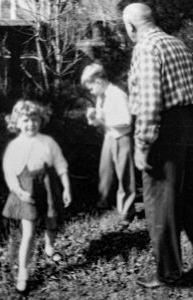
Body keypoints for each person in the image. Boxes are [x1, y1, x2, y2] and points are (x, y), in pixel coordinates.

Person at [119, 0, 193, 287]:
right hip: (192, 122)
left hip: (165, 128)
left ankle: (169, 273)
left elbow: (150, 101)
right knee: (185, 194)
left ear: (131, 27)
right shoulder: (176, 43)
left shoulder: (146, 47)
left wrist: (142, 144)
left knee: (158, 201)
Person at [2, 100, 72, 293]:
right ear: (16, 122)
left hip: (48, 187)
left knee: (52, 222)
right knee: (29, 234)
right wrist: (18, 191)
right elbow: (9, 172)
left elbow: (60, 164)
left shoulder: (47, 142)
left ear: (41, 121)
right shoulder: (15, 146)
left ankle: (50, 247)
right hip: (27, 190)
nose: (30, 124)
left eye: (34, 119)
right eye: (25, 120)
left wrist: (66, 188)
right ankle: (23, 273)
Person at [81, 63, 136, 227]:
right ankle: (104, 203)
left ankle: (127, 212)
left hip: (122, 138)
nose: (90, 91)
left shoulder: (118, 95)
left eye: (90, 87)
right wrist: (93, 118)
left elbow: (127, 121)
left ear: (98, 81)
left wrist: (105, 119)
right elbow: (101, 121)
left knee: (124, 175)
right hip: (110, 137)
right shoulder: (101, 97)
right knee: (105, 172)